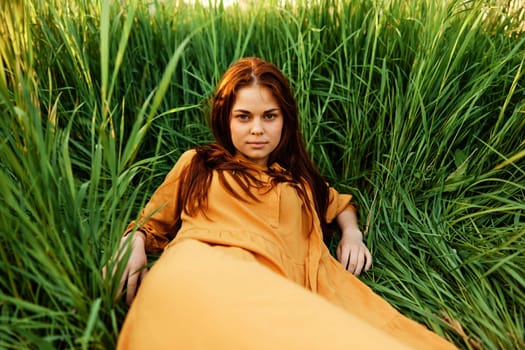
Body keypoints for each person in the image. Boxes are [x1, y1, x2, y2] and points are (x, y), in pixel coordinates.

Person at [108, 57, 457, 349]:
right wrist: (133, 240)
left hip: (274, 287)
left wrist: (352, 235)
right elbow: (151, 223)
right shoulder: (198, 165)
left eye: (269, 116)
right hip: (199, 268)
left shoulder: (299, 179)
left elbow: (339, 205)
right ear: (225, 118)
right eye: (243, 117)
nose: (257, 129)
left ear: (284, 119)